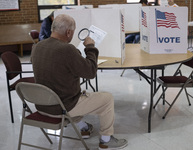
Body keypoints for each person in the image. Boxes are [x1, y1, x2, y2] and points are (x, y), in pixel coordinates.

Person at [31, 14, 128, 149]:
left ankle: (83, 127)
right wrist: (90, 47)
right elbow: (90, 72)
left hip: (42, 105)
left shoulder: (37, 46)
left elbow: (54, 66)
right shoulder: (67, 49)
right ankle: (106, 139)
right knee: (107, 99)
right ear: (69, 32)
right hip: (62, 107)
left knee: (74, 93)